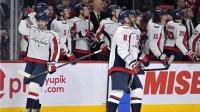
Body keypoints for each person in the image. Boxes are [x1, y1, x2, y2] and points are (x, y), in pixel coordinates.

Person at [106, 10, 149, 112]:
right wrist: (134, 63)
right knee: (117, 92)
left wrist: (140, 59)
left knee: (137, 91)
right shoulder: (123, 30)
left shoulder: (130, 31)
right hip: (120, 66)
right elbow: (122, 50)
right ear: (125, 19)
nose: (134, 18)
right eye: (131, 16)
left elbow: (133, 49)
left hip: (129, 67)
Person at [20, 11, 60, 112]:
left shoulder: (52, 34)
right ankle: (37, 108)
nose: (40, 23)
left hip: (41, 63)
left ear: (47, 22)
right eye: (38, 21)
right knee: (31, 87)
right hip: (30, 61)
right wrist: (24, 19)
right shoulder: (33, 29)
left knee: (34, 85)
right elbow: (21, 30)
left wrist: (52, 63)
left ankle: (28, 109)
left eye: (42, 21)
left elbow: (55, 50)